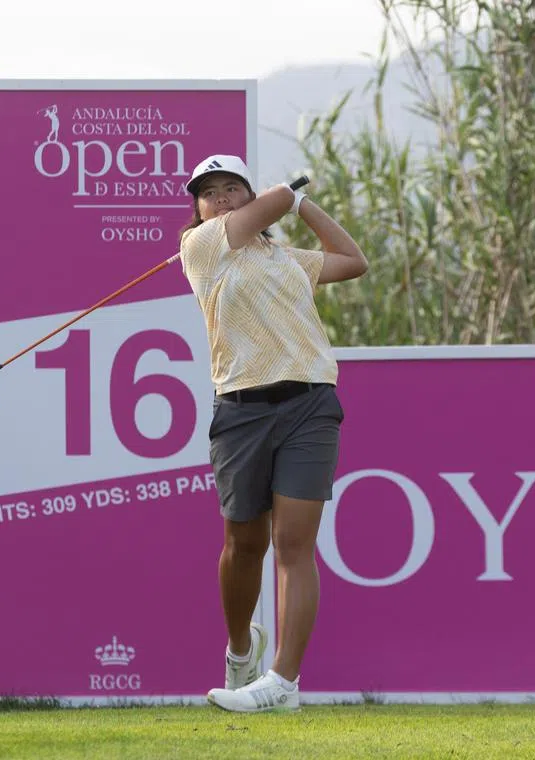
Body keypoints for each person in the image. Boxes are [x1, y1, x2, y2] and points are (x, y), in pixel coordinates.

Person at [178, 154, 368, 712]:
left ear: (248, 194)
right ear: (197, 209)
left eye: (231, 188)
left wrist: (302, 202)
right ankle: (242, 651)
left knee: (293, 544)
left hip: (310, 404)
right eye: (207, 192)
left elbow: (353, 261)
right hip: (241, 411)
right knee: (244, 545)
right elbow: (270, 205)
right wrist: (283, 194)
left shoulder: (287, 259)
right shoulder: (202, 249)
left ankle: (283, 681)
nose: (220, 199)